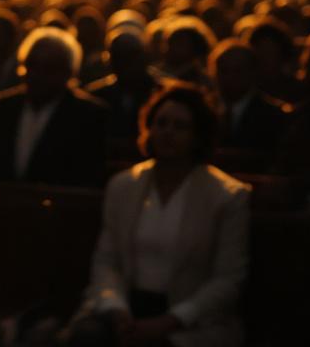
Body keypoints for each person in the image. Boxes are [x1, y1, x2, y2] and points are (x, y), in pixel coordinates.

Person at [67, 83, 250, 347]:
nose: (168, 133)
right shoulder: (124, 185)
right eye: (161, 123)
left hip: (186, 315)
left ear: (198, 135)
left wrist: (170, 321)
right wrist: (117, 309)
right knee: (87, 336)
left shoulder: (226, 195)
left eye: (180, 126)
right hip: (126, 306)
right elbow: (106, 260)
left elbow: (228, 279)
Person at [0, 27, 109, 187]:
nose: (37, 74)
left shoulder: (89, 116)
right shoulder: (0, 109)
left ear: (68, 73)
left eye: (49, 67)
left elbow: (88, 175)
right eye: (32, 65)